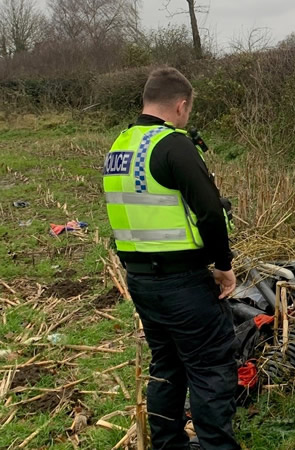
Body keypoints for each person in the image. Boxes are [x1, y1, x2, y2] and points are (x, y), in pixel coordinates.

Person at [102, 67, 240, 450]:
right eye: (188, 110)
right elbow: (211, 212)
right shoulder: (174, 144)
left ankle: (167, 445)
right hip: (183, 283)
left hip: (141, 281)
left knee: (166, 368)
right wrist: (223, 266)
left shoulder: (121, 146)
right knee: (210, 368)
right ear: (180, 105)